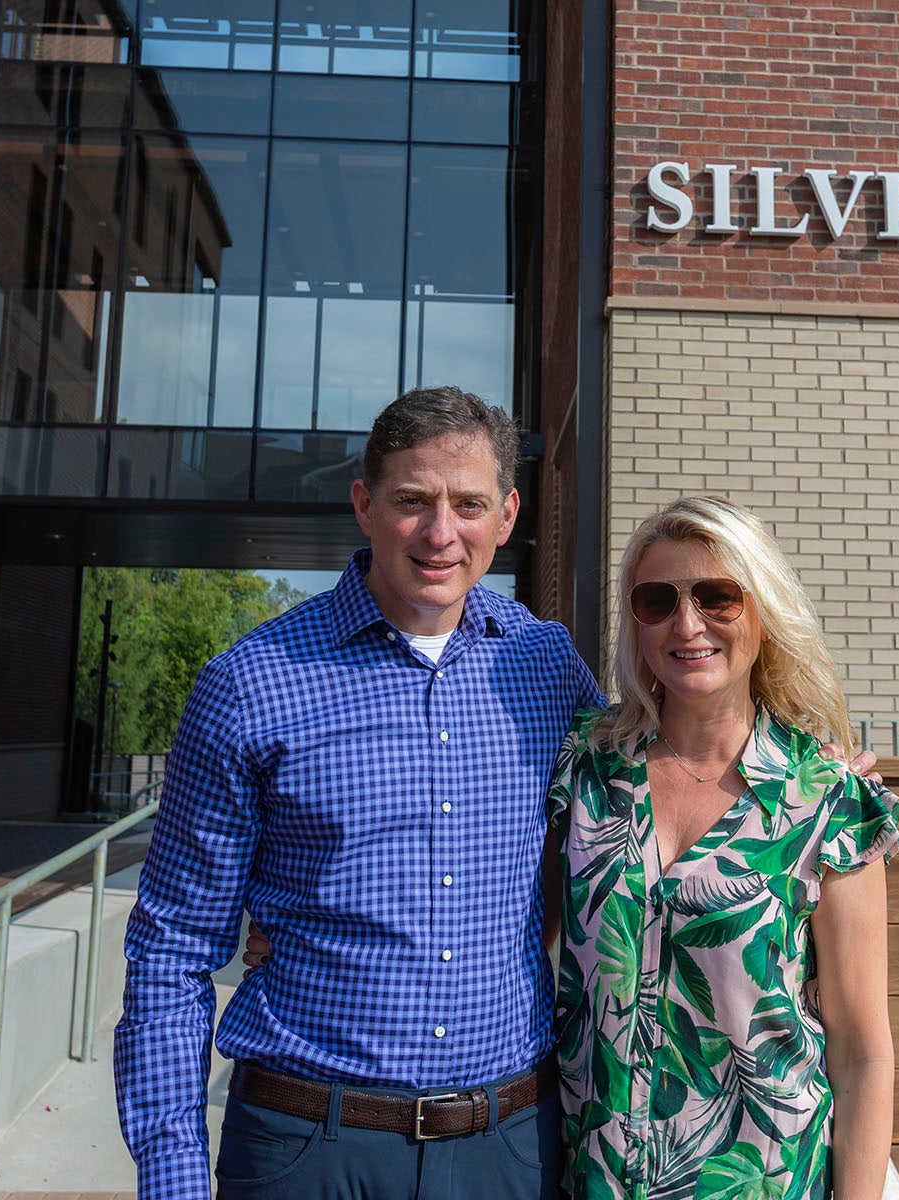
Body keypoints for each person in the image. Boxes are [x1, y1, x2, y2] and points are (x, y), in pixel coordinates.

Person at [115, 386, 604, 1200]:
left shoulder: (547, 667)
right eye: (412, 500)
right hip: (308, 1147)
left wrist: (800, 756)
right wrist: (172, 1177)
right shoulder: (251, 684)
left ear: (508, 515)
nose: (441, 533)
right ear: (364, 504)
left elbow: (656, 773)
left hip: (509, 1148)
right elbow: (171, 950)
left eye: (468, 504)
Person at [551, 496, 899, 1200]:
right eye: (658, 601)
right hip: (589, 1183)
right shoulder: (583, 769)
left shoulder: (824, 798)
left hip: (762, 1183)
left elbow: (863, 1052)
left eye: (717, 597)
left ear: (763, 612)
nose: (687, 624)